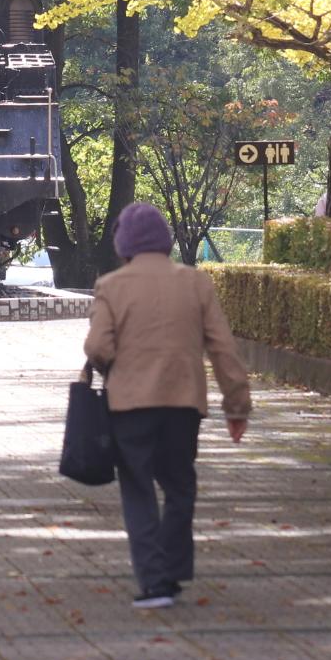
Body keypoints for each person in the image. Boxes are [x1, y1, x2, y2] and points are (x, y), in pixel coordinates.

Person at [84, 201, 252, 611]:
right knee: (179, 485)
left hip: (129, 406)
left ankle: (154, 582)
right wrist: (237, 407)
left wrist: (110, 362)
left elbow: (99, 347)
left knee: (138, 489)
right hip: (183, 404)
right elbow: (224, 350)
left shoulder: (111, 285)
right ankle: (174, 569)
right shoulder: (196, 283)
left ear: (123, 243)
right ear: (166, 241)